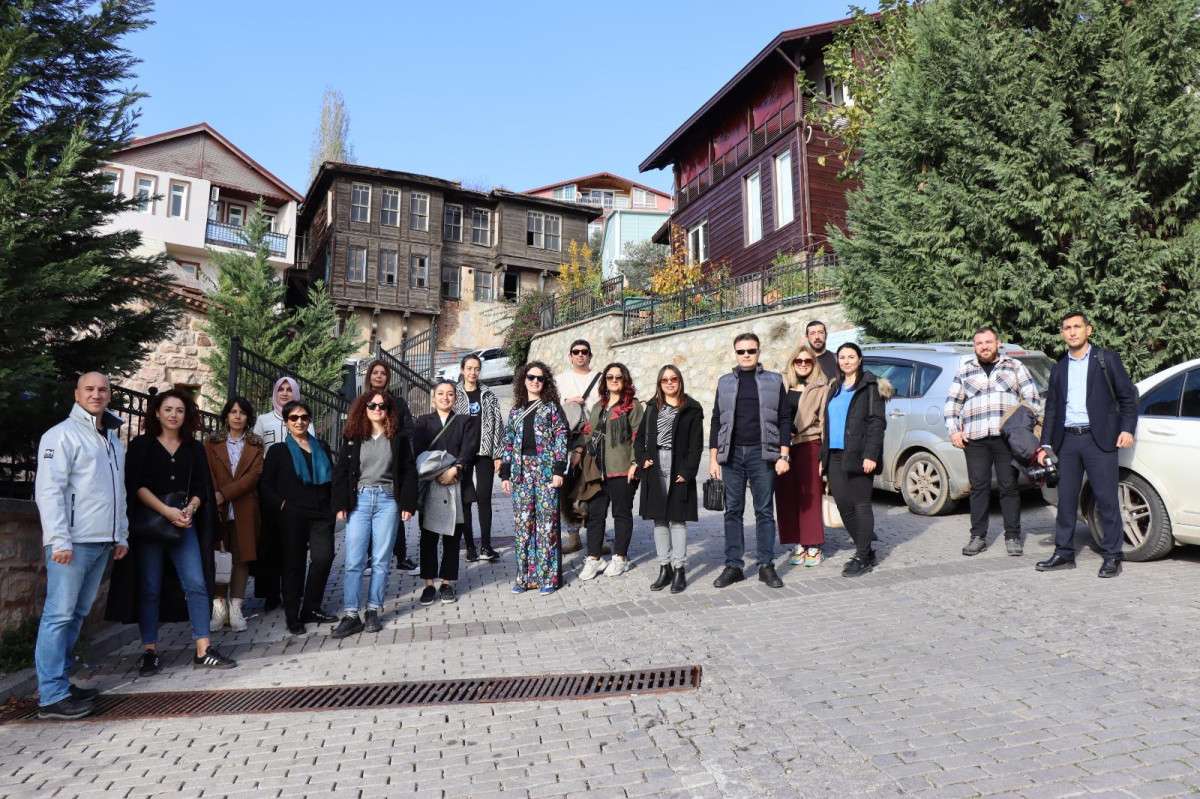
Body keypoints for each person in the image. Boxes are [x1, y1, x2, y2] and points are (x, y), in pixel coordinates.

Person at [106, 389, 236, 673]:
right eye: (168, 409)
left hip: (183, 526)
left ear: (186, 415)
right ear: (157, 412)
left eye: (179, 410)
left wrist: (191, 508)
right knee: (150, 588)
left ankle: (203, 649)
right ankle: (149, 650)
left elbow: (202, 486)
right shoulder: (142, 445)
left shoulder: (194, 448)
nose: (173, 415)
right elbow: (136, 486)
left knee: (197, 583)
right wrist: (166, 511)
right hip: (150, 527)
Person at [33, 373, 130, 720]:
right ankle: (50, 695)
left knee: (75, 615)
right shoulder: (60, 435)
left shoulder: (112, 439)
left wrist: (121, 534)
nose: (96, 394)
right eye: (89, 389)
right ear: (77, 394)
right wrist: (59, 539)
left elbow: (119, 490)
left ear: (109, 395)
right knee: (59, 615)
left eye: (102, 389)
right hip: (72, 543)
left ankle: (60, 683)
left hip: (102, 541)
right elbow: (49, 491)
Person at [1035, 312, 1138, 578]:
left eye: (1077, 327)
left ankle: (1113, 555)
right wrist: (1045, 445)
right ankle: (1064, 553)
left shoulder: (1106, 360)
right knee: (1066, 501)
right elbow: (1052, 408)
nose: (1072, 332)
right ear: (1062, 333)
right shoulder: (1059, 367)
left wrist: (1127, 429)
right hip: (1067, 441)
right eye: (1067, 328)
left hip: (1098, 439)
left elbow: (1128, 397)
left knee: (1106, 499)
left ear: (1088, 330)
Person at [944, 326, 1041, 557]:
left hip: (1006, 438)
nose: (984, 347)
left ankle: (1013, 536)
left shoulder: (1014, 366)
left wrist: (1021, 427)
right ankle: (978, 537)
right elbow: (952, 403)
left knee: (1009, 487)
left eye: (988, 342)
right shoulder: (965, 370)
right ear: (974, 346)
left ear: (998, 343)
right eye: (979, 343)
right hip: (975, 439)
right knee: (979, 488)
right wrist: (954, 431)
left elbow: (1032, 399)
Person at [709, 333, 793, 589]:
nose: (746, 355)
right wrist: (713, 459)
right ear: (735, 353)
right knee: (732, 511)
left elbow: (784, 418)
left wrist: (784, 455)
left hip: (762, 453)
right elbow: (716, 420)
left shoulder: (774, 380)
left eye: (751, 350)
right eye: (741, 351)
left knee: (764, 511)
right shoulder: (724, 382)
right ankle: (734, 566)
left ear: (758, 352)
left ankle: (766, 566)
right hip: (732, 455)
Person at [330, 391, 418, 637]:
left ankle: (372, 611)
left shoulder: (398, 438)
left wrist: (408, 504)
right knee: (354, 560)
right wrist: (340, 504)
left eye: (382, 405)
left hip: (387, 501)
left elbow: (408, 471)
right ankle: (351, 614)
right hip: (359, 499)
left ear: (389, 409)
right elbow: (341, 471)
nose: (377, 409)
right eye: (372, 405)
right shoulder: (353, 437)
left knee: (381, 559)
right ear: (364, 408)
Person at [260, 399, 337, 635]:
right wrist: (282, 505)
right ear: (286, 422)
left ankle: (311, 607)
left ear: (309, 420)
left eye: (304, 417)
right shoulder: (278, 451)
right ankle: (292, 615)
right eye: (294, 418)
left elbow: (332, 479)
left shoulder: (321, 447)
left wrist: (334, 507)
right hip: (292, 515)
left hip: (321, 513)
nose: (299, 421)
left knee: (323, 558)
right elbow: (265, 485)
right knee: (293, 564)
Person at [821, 343, 890, 577]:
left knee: (861, 505)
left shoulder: (870, 386)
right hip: (834, 455)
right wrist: (823, 457)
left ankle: (861, 556)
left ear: (860, 360)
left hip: (860, 455)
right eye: (842, 357)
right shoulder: (835, 386)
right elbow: (828, 425)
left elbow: (877, 423)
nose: (846, 361)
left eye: (851, 357)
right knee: (843, 505)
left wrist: (871, 454)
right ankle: (866, 550)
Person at [501, 361, 569, 595]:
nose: (535, 381)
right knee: (523, 526)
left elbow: (562, 438)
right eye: (531, 377)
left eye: (540, 378)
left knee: (546, 525)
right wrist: (505, 474)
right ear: (524, 379)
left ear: (545, 382)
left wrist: (559, 470)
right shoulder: (516, 411)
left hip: (546, 471)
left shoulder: (551, 408)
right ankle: (525, 578)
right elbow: (508, 443)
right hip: (520, 473)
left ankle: (548, 577)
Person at [634, 365, 703, 593]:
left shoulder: (692, 408)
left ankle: (679, 568)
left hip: (678, 466)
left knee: (677, 519)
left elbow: (696, 445)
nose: (670, 383)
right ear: (659, 384)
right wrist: (642, 459)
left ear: (680, 381)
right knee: (659, 520)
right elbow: (639, 439)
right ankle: (665, 568)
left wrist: (688, 471)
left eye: (674, 379)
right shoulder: (652, 407)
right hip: (655, 466)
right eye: (665, 380)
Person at [412, 380, 479, 606]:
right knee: (428, 537)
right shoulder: (423, 422)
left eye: (450, 394)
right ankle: (429, 584)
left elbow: (469, 448)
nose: (445, 397)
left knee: (452, 537)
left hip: (456, 483)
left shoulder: (465, 421)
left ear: (455, 398)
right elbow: (418, 453)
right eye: (440, 393)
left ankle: (447, 582)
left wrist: (455, 469)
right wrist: (439, 472)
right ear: (433, 398)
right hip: (431, 484)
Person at [577, 362, 644, 580]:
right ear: (605, 381)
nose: (614, 380)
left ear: (625, 380)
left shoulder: (632, 406)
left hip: (622, 470)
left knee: (621, 514)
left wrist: (635, 463)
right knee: (595, 516)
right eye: (609, 377)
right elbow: (588, 434)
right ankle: (594, 558)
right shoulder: (599, 406)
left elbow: (638, 437)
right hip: (597, 472)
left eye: (618, 377)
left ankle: (620, 558)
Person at [204, 397, 264, 633]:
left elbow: (253, 477)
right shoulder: (212, 443)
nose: (237, 416)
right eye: (233, 412)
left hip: (245, 507)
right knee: (219, 556)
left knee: (241, 557)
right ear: (226, 416)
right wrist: (215, 496)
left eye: (242, 413)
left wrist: (225, 494)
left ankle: (236, 607)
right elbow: (207, 472)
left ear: (248, 417)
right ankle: (219, 608)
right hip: (217, 507)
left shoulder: (255, 444)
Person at [251, 376, 305, 611]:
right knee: (270, 541)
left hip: (296, 487)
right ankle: (270, 593)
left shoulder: (303, 419)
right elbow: (255, 450)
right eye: (280, 389)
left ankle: (292, 590)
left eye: (289, 389)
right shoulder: (264, 420)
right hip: (270, 486)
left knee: (294, 542)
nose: (284, 393)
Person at [363, 358, 419, 575]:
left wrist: (393, 438)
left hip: (392, 461)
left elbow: (409, 430)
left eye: (383, 373)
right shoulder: (361, 402)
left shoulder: (398, 403)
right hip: (368, 464)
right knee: (368, 513)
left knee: (396, 509)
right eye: (375, 372)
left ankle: (401, 556)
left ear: (388, 377)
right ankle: (370, 557)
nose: (379, 376)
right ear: (369, 376)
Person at [777, 344, 831, 567]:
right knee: (787, 497)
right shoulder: (782, 384)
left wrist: (824, 457)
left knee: (811, 496)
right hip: (782, 448)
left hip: (809, 444)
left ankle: (813, 544)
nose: (802, 364)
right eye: (798, 361)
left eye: (807, 361)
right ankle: (798, 542)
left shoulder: (822, 387)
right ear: (792, 363)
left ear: (813, 364)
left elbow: (825, 422)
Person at [453, 353, 505, 562]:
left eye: (476, 369)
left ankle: (486, 545)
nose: (473, 372)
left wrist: (498, 454)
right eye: (469, 368)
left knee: (484, 498)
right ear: (462, 370)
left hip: (485, 452)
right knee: (465, 500)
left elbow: (498, 424)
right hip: (462, 454)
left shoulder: (488, 394)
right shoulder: (454, 394)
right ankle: (470, 547)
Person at [556, 339, 601, 554]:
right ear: (570, 356)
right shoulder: (560, 380)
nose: (580, 355)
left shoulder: (599, 378)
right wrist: (568, 401)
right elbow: (552, 406)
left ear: (590, 355)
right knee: (567, 490)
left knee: (594, 488)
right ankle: (573, 536)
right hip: (569, 440)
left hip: (594, 439)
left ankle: (596, 537)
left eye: (584, 352)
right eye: (576, 352)